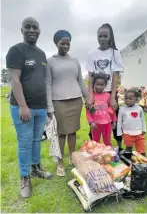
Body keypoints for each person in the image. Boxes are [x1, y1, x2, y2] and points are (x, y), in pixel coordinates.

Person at [6, 17, 52, 199]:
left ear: (39, 31)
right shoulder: (16, 50)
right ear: (22, 30)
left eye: (35, 27)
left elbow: (43, 81)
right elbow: (15, 80)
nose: (31, 30)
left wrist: (47, 107)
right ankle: (24, 178)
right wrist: (23, 106)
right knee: (25, 142)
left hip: (40, 108)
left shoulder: (41, 54)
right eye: (28, 27)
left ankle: (36, 168)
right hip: (22, 107)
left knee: (35, 140)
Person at [46, 30, 88, 177]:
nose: (65, 46)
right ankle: (59, 162)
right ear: (56, 43)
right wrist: (49, 106)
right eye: (62, 43)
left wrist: (87, 98)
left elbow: (80, 82)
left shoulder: (75, 61)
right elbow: (48, 84)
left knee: (73, 131)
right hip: (59, 102)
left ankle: (72, 156)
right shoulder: (50, 61)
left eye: (68, 43)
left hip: (76, 101)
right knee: (61, 133)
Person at [86, 23, 124, 151]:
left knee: (114, 122)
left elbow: (115, 76)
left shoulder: (115, 54)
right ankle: (94, 149)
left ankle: (118, 150)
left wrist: (112, 97)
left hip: (109, 93)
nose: (102, 38)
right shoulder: (91, 54)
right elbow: (90, 76)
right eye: (99, 36)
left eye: (105, 36)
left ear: (110, 37)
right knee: (94, 122)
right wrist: (90, 95)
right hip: (95, 94)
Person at [86, 73, 116, 146]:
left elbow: (111, 109)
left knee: (108, 142)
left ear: (105, 85)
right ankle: (97, 156)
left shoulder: (108, 96)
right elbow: (88, 111)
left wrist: (114, 121)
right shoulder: (91, 97)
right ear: (94, 84)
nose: (99, 87)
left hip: (107, 124)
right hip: (95, 124)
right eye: (97, 84)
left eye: (102, 85)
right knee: (95, 143)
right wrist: (91, 122)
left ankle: (108, 155)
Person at [117, 89, 147, 156]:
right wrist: (119, 132)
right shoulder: (122, 109)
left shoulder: (139, 108)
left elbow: (143, 120)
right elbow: (119, 121)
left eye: (130, 99)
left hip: (139, 133)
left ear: (136, 100)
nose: (127, 100)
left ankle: (143, 161)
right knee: (128, 148)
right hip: (127, 133)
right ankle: (129, 158)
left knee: (141, 148)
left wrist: (144, 129)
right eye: (126, 98)